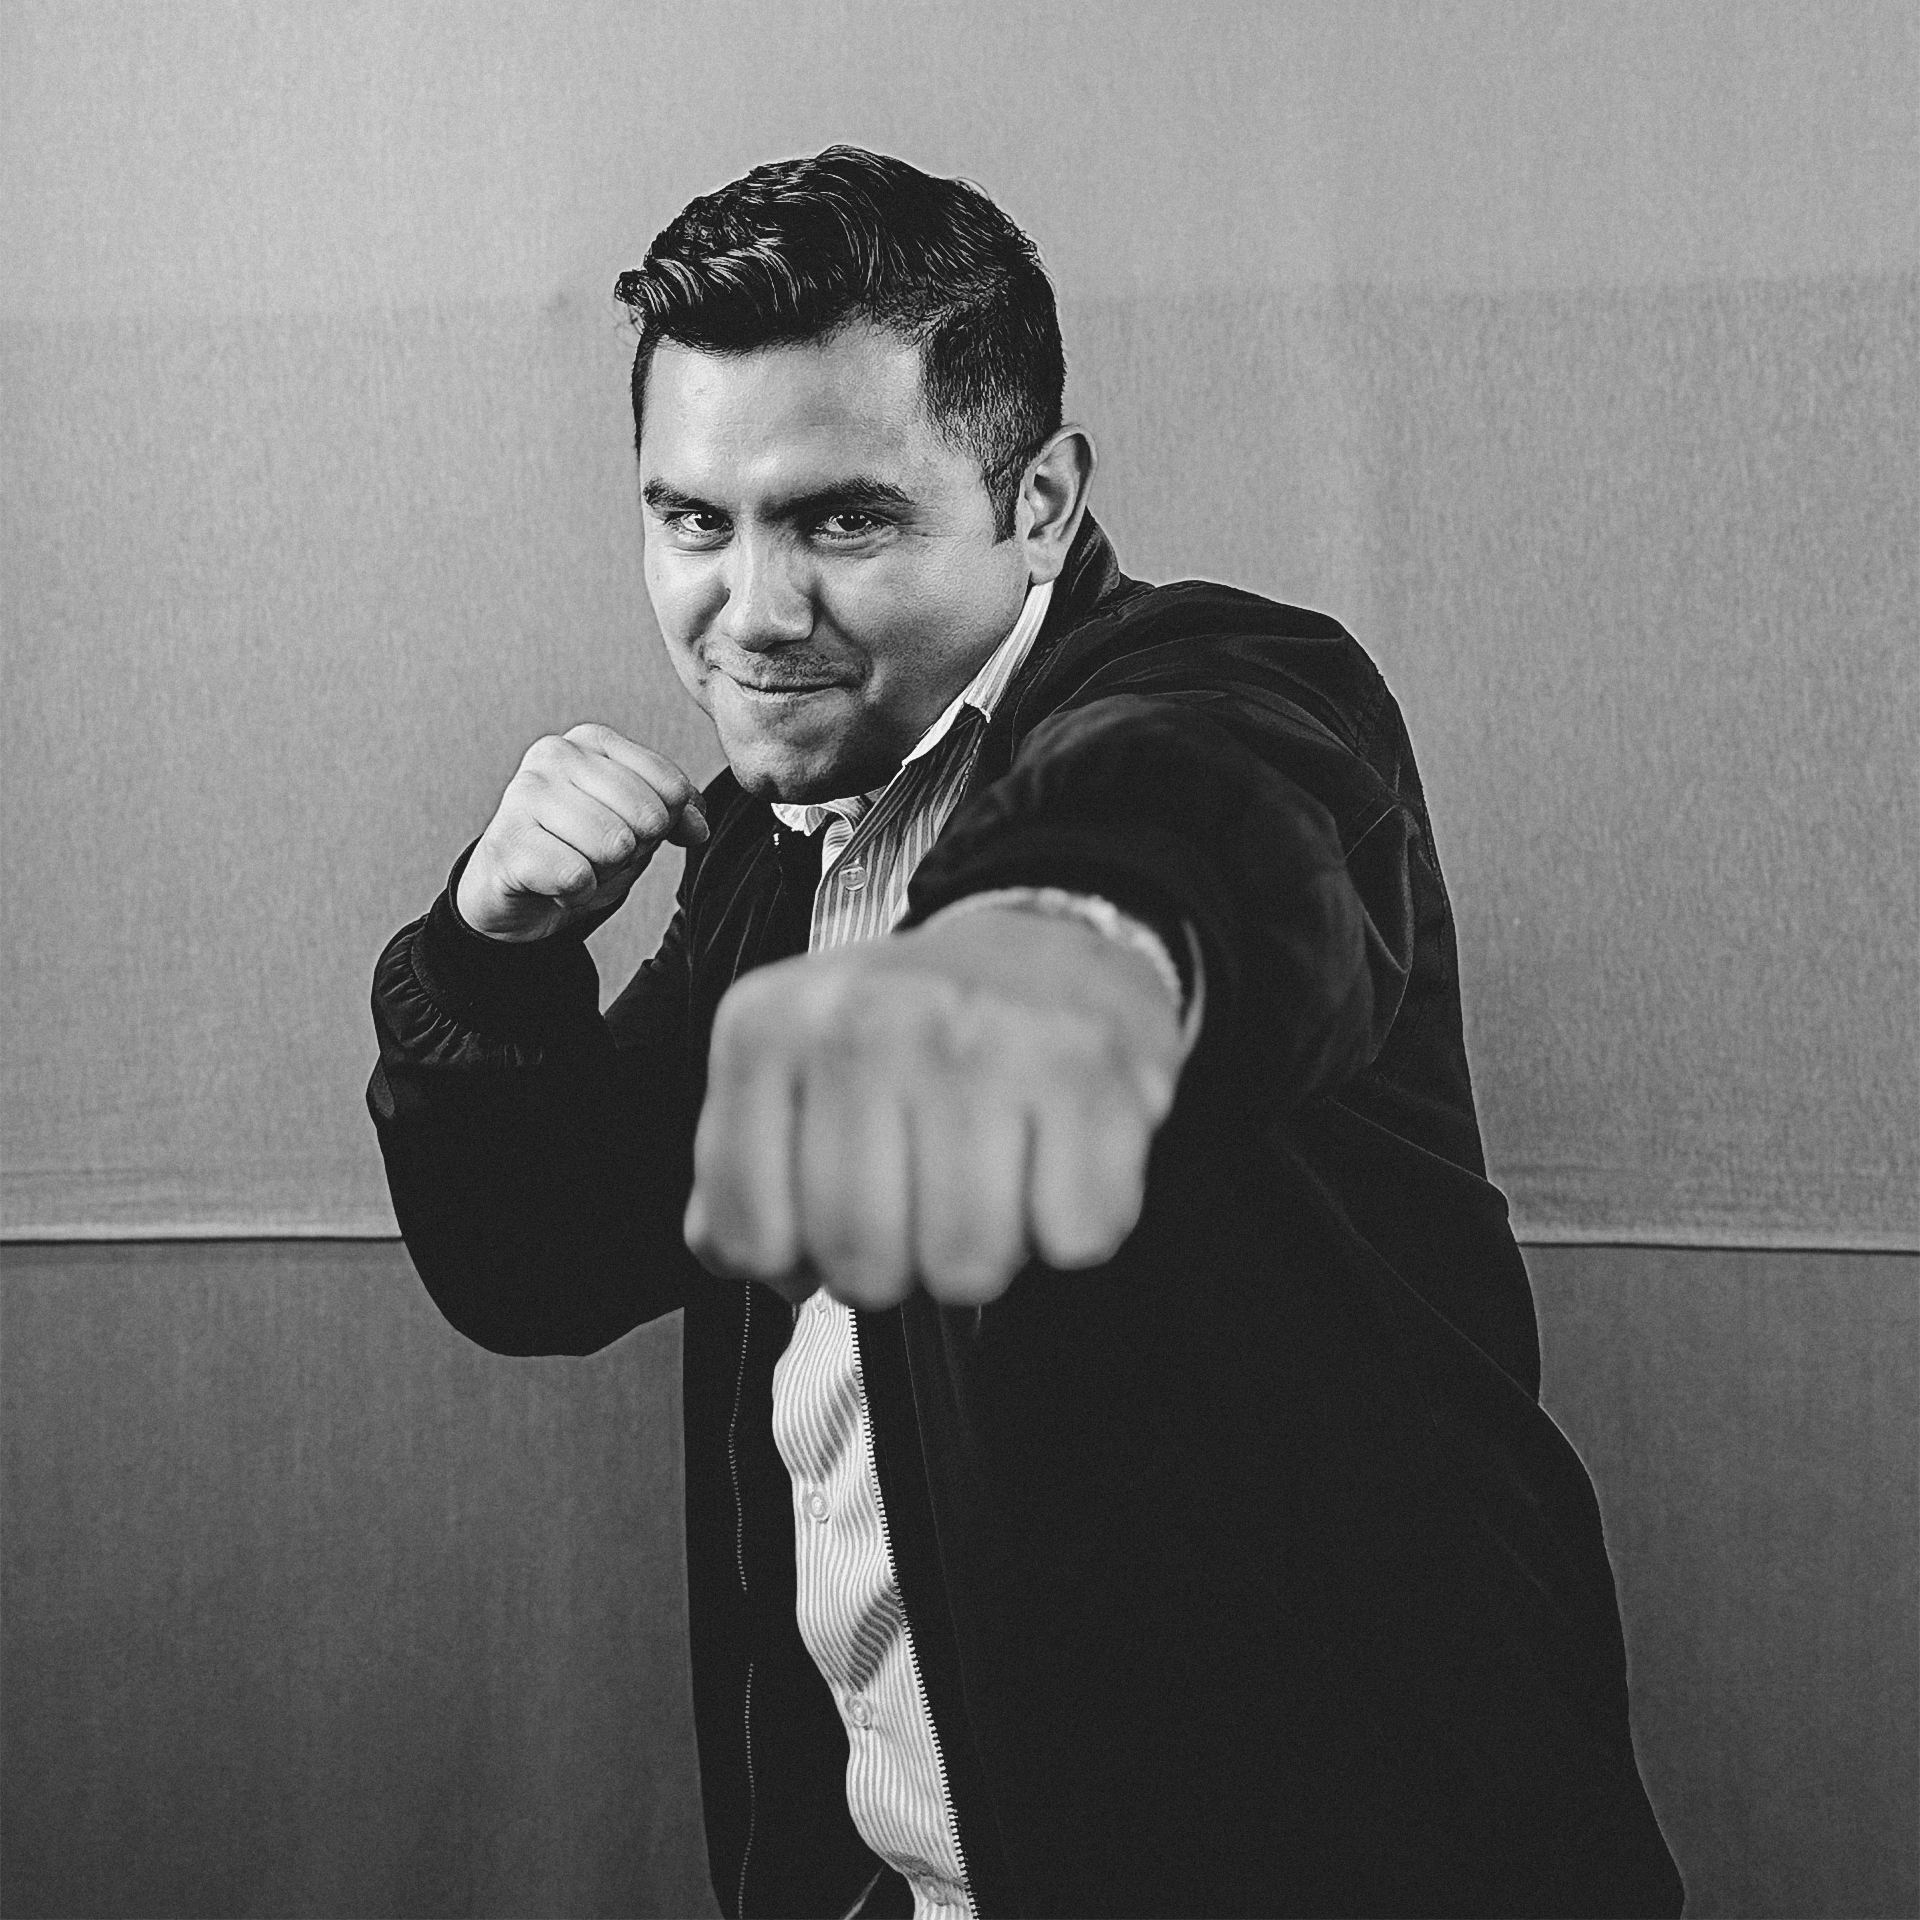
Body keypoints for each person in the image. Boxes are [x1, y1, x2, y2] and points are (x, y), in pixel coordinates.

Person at [368, 147, 1683, 1919]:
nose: (750, 614)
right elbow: (542, 1262)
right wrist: (492, 959)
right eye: (695, 519)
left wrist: (1026, 980)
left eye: (843, 519)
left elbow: (1203, 852)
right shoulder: (774, 849)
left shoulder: (1247, 692)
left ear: (1042, 498)